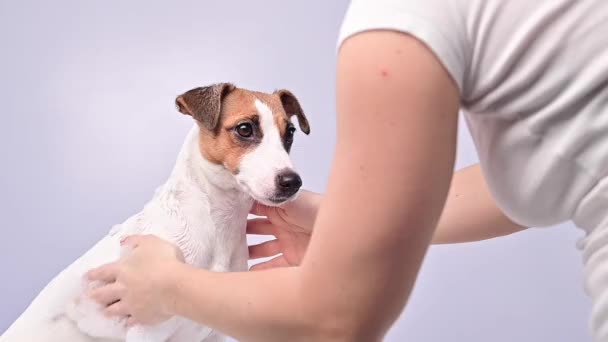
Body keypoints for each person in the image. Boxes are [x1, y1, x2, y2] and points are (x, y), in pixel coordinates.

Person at [87, 0, 608, 341]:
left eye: (285, 134)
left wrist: (168, 288)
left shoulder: (403, 20)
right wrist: (337, 217)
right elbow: (550, 179)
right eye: (246, 131)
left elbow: (336, 318)